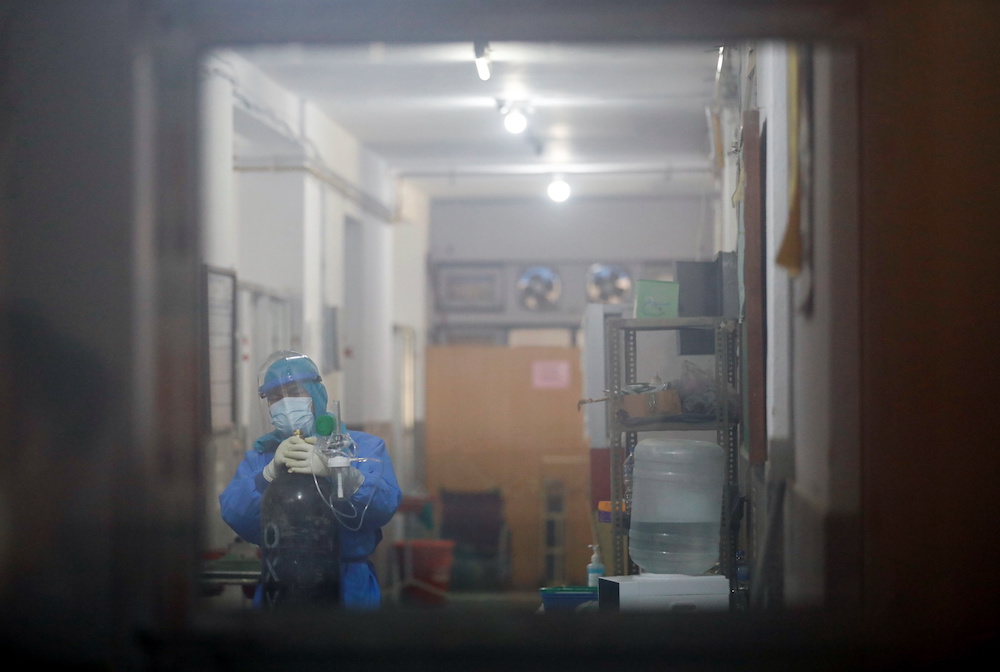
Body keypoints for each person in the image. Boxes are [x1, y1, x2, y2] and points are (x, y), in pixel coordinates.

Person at [220, 350, 401, 609]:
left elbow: (383, 506)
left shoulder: (360, 448)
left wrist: (339, 472)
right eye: (274, 398)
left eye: (294, 392)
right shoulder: (262, 458)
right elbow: (235, 514)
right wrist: (267, 476)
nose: (284, 403)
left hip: (347, 587)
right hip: (279, 584)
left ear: (315, 394)